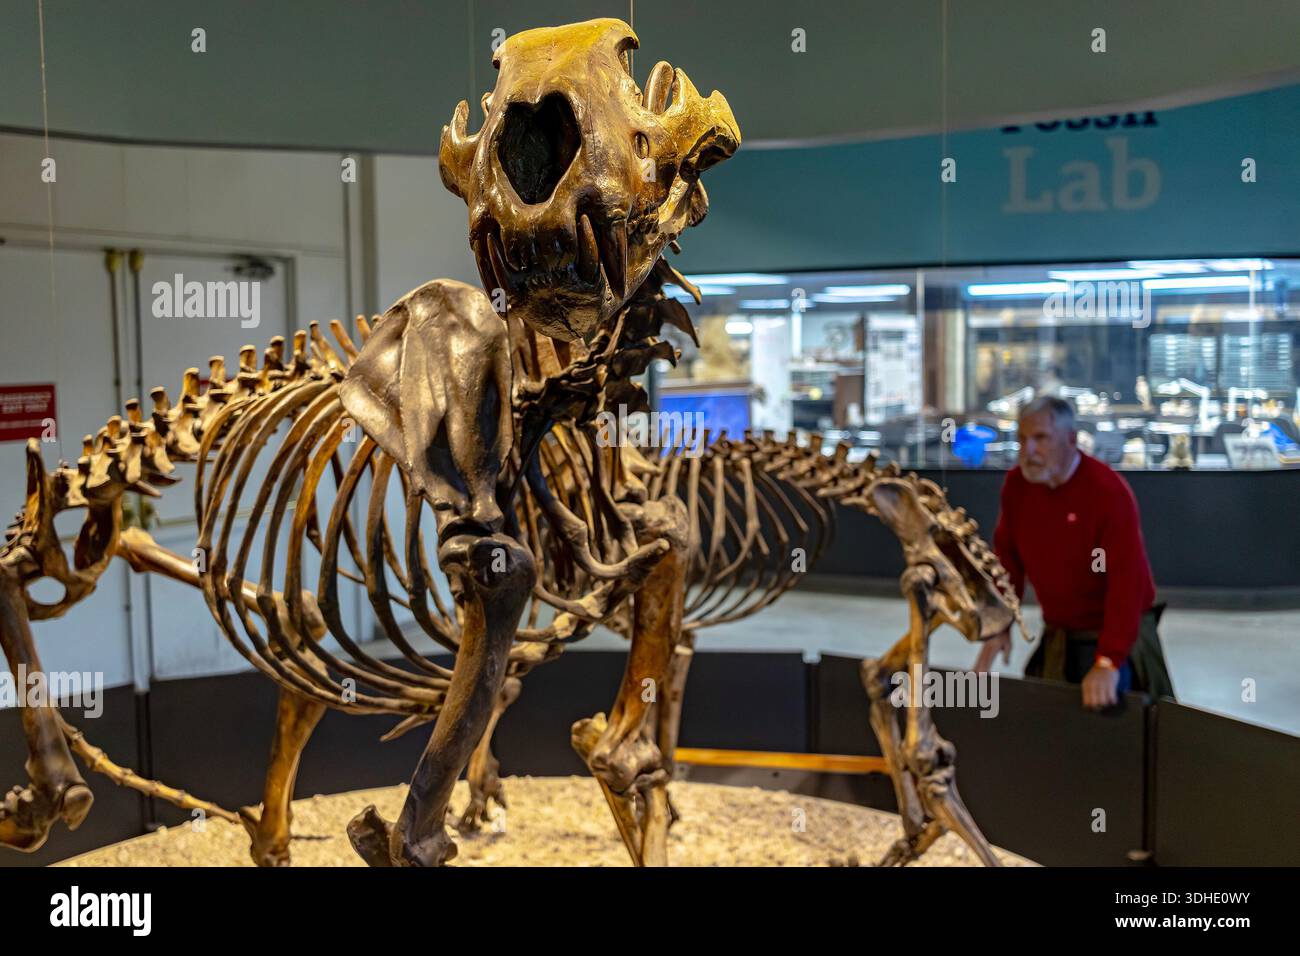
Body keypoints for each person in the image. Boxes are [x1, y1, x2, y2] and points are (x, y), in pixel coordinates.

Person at [973, 396, 1175, 708]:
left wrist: (1108, 661)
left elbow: (1126, 584)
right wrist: (1000, 623)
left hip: (1116, 630)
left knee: (1110, 718)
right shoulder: (1017, 486)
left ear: (1071, 440)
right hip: (1061, 631)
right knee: (1047, 719)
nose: (1027, 451)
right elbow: (1008, 563)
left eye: (1040, 439)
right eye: (1022, 439)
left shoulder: (1108, 493)